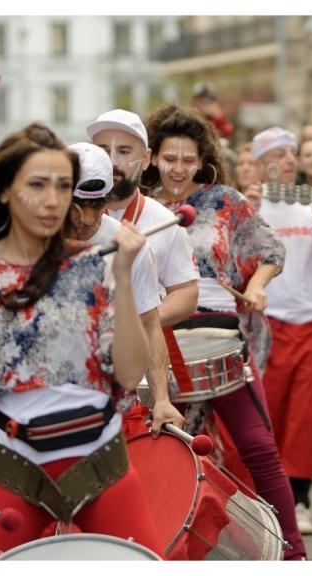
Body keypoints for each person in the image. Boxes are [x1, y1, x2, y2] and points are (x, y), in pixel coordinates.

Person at [0, 124, 162, 560]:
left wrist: (123, 277)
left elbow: (131, 374)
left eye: (62, 186)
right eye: (38, 185)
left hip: (97, 459)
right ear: (5, 190)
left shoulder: (90, 267)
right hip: (4, 462)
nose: (53, 200)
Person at [141, 104, 307, 560]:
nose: (178, 168)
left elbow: (269, 251)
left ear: (203, 160)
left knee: (258, 447)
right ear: (153, 157)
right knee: (169, 452)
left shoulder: (226, 202)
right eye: (169, 158)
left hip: (220, 336)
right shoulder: (139, 206)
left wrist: (255, 286)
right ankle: (171, 553)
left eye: (188, 159)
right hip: (161, 339)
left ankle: (294, 554)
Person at [244, 126, 312, 535]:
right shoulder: (249, 204)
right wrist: (249, 211)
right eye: (278, 154)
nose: (289, 160)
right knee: (267, 411)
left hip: (310, 320)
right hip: (266, 321)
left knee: (304, 415)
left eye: (291, 152)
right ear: (260, 164)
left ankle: (300, 499)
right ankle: (263, 497)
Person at [87, 108, 196, 434]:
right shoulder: (59, 218)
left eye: (124, 151)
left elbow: (185, 296)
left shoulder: (164, 221)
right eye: (103, 150)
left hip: (136, 376)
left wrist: (130, 325)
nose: (112, 161)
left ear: (146, 159)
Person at [65, 142, 182, 435]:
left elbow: (149, 323)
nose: (87, 218)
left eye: (96, 205)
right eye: (77, 205)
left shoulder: (131, 246)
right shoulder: (34, 240)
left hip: (111, 403)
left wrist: (162, 399)